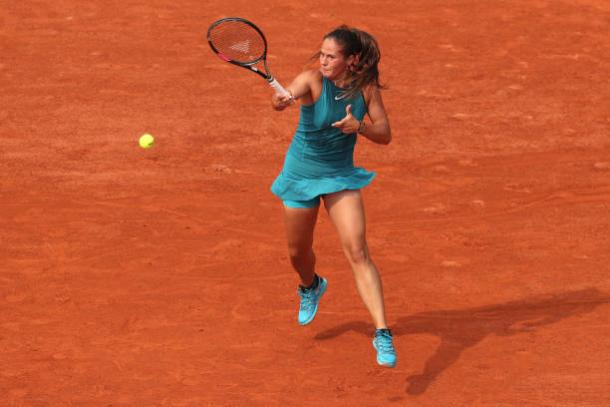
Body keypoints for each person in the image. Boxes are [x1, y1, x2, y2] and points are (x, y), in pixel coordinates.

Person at [270, 25, 396, 368]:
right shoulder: (312, 80)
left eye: (331, 56)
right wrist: (283, 99)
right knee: (298, 253)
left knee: (358, 250)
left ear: (351, 60)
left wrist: (361, 127)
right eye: (322, 54)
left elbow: (384, 133)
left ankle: (382, 331)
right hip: (300, 176)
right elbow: (287, 96)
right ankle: (311, 285)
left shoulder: (365, 89)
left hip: (340, 177)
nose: (323, 60)